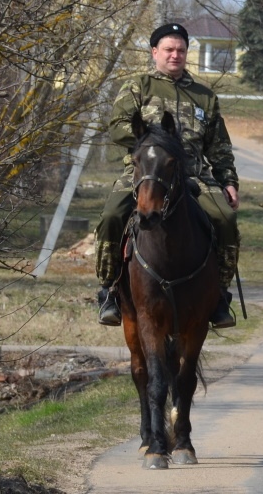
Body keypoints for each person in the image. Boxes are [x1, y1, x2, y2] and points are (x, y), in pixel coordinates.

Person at [94, 22, 240, 328]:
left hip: (194, 176)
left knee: (225, 220)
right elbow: (117, 125)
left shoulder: (204, 96)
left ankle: (220, 296)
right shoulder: (137, 86)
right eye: (169, 50)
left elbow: (219, 145)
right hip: (145, 174)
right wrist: (153, 141)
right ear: (155, 52)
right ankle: (108, 290)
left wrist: (228, 181)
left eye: (181, 50)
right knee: (111, 217)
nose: (175, 55)